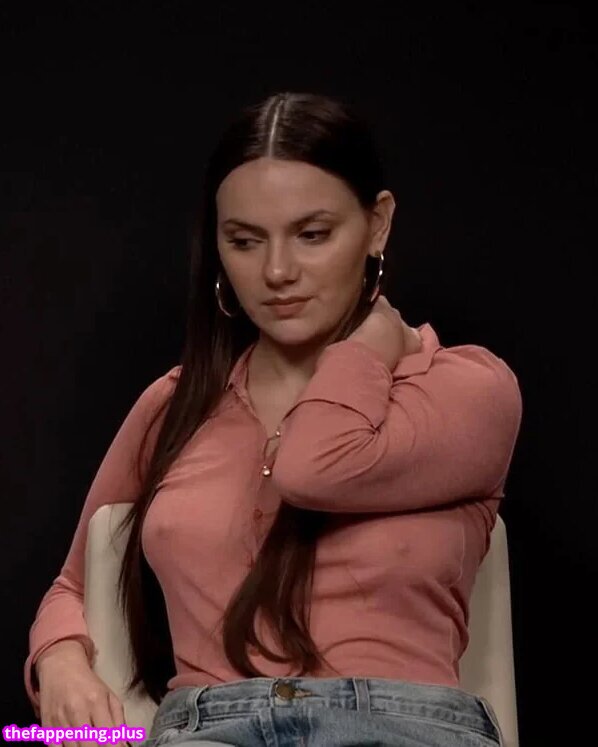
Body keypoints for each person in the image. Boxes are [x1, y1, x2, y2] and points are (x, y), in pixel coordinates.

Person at [25, 91, 522, 747]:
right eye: (244, 241)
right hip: (209, 729)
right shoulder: (176, 405)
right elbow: (72, 584)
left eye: (312, 235)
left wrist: (366, 350)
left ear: (377, 224)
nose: (277, 271)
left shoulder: (466, 389)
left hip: (402, 726)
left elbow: (314, 467)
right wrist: (59, 657)